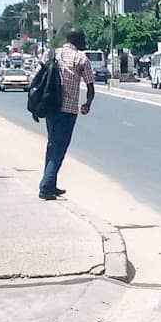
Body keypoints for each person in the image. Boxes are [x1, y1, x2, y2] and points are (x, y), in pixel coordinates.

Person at [33, 30, 95, 200]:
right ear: (77, 40)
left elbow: (37, 78)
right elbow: (90, 86)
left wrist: (35, 106)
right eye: (83, 39)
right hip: (68, 110)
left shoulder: (51, 53)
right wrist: (87, 104)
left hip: (50, 106)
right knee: (59, 147)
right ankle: (46, 187)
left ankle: (50, 183)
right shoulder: (81, 58)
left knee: (52, 144)